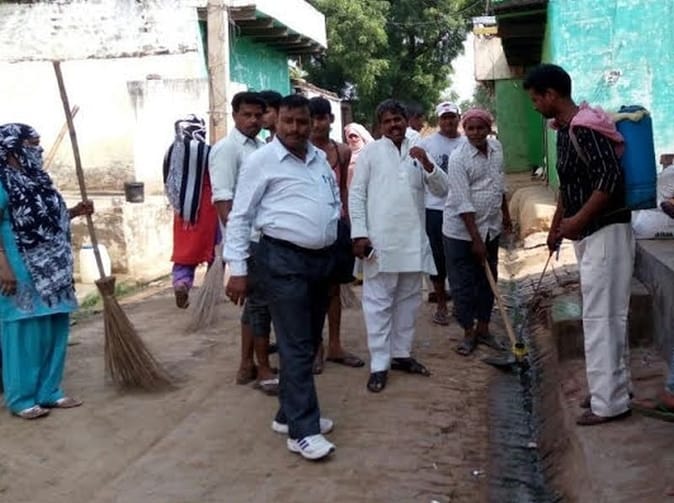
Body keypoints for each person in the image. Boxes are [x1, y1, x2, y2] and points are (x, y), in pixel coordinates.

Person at [224, 94, 340, 460]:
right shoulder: (261, 162)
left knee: (308, 338)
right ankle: (302, 431)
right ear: (277, 123)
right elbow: (240, 217)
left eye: (302, 122)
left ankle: (287, 414)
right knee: (296, 344)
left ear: (312, 123)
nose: (295, 128)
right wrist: (237, 269)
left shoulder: (319, 159)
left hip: (319, 262)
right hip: (281, 260)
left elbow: (331, 201)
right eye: (288, 121)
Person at [524, 64, 633, 426]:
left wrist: (578, 221)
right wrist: (558, 226)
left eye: (536, 99)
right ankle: (613, 389)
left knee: (602, 317)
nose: (535, 106)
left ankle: (608, 403)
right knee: (606, 315)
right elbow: (569, 186)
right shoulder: (565, 130)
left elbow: (609, 179)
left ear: (551, 94)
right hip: (590, 234)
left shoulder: (584, 128)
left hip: (606, 231)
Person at [349, 99, 448, 393]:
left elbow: (442, 189)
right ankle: (379, 364)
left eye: (398, 119)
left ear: (406, 121)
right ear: (380, 126)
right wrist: (359, 234)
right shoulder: (370, 153)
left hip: (413, 241)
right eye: (388, 121)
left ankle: (401, 354)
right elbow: (356, 196)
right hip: (380, 242)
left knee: (409, 301)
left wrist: (427, 163)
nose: (394, 125)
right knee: (378, 305)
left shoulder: (419, 150)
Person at [0, 123, 93, 420]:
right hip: (19, 266)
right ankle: (21, 398)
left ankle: (49, 390)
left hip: (54, 271)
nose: (37, 150)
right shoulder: (2, 182)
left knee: (55, 326)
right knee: (24, 331)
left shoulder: (38, 180)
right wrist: (3, 265)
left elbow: (44, 219)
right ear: (12, 148)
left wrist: (75, 212)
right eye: (31, 144)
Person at [209, 92, 277, 393]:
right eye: (246, 115)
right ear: (235, 115)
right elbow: (223, 201)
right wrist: (237, 247)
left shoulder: (262, 148)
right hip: (248, 240)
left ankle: (247, 363)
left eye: (257, 115)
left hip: (264, 236)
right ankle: (260, 366)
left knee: (257, 303)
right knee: (259, 304)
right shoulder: (227, 150)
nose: (253, 121)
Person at [443, 109, 511, 358]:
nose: (475, 133)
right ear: (465, 130)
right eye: (470, 129)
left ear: (488, 128)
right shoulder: (458, 158)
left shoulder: (497, 148)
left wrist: (506, 215)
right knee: (463, 284)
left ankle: (484, 329)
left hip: (490, 227)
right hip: (461, 233)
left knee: (488, 280)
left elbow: (499, 185)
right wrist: (476, 239)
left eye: (480, 128)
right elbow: (462, 201)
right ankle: (468, 332)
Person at [308, 97, 364, 374]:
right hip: (308, 228)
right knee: (311, 291)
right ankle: (315, 347)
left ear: (331, 119)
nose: (318, 125)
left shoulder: (341, 151)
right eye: (313, 119)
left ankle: (335, 345)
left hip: (336, 226)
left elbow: (343, 189)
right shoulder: (302, 152)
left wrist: (350, 225)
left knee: (333, 289)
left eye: (322, 118)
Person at [162, 115, 219, 309]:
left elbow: (168, 180)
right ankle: (210, 289)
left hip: (183, 213)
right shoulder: (208, 152)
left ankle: (181, 282)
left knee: (185, 250)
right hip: (208, 207)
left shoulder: (171, 150)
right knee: (215, 248)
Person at [418, 102, 465, 326]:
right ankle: (441, 305)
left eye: (452, 117)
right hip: (435, 209)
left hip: (461, 209)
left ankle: (461, 304)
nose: (448, 121)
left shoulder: (466, 143)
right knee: (437, 257)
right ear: (439, 120)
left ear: (458, 118)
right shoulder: (427, 144)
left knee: (459, 257)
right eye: (444, 118)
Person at [344, 122, 374, 187]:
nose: (353, 139)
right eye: (350, 137)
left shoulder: (370, 153)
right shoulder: (346, 154)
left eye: (355, 136)